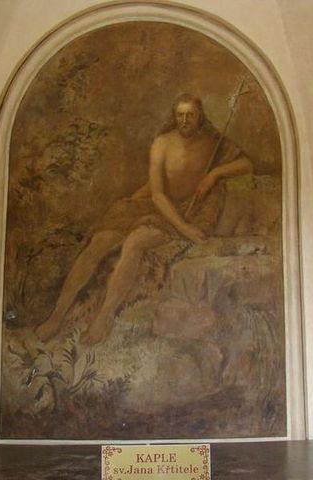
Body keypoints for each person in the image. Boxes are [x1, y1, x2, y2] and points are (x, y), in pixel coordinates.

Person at [35, 93, 253, 344]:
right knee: (99, 242)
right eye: (180, 115)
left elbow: (247, 165)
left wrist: (215, 173)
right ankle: (56, 317)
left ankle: (104, 317)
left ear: (200, 116)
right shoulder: (162, 143)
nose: (184, 120)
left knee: (135, 241)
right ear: (174, 116)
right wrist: (182, 228)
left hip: (189, 211)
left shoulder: (213, 143)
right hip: (158, 205)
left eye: (190, 115)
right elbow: (157, 194)